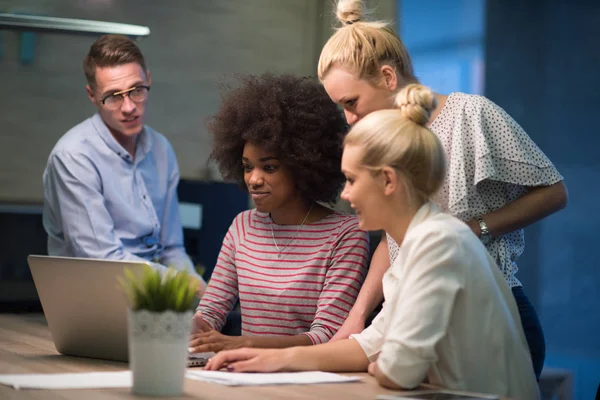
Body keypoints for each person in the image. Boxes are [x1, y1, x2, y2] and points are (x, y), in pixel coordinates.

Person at [203, 84, 540, 400]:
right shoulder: (416, 245)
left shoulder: (439, 242)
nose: (346, 195)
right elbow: (369, 344)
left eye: (351, 180)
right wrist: (272, 360)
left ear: (388, 181)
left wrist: (383, 363)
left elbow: (397, 369)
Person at [318, 0, 568, 379]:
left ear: (388, 78)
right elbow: (393, 238)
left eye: (352, 103)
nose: (350, 119)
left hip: (491, 317)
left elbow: (554, 192)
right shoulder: (388, 143)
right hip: (415, 315)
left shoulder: (471, 114)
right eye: (342, 109)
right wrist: (357, 317)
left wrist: (471, 230)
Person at [188, 73, 369, 353]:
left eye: (269, 167)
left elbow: (326, 336)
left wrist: (243, 344)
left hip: (308, 379)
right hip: (243, 374)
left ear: (302, 166)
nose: (254, 179)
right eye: (248, 167)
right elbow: (211, 311)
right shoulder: (242, 226)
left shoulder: (345, 235)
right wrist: (184, 327)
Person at [42, 34, 204, 289]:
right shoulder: (73, 157)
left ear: (148, 80)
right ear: (92, 95)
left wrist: (202, 292)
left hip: (154, 294)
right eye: (114, 96)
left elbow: (172, 248)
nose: (129, 107)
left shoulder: (161, 149)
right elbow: (102, 261)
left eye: (137, 90)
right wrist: (183, 285)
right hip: (93, 296)